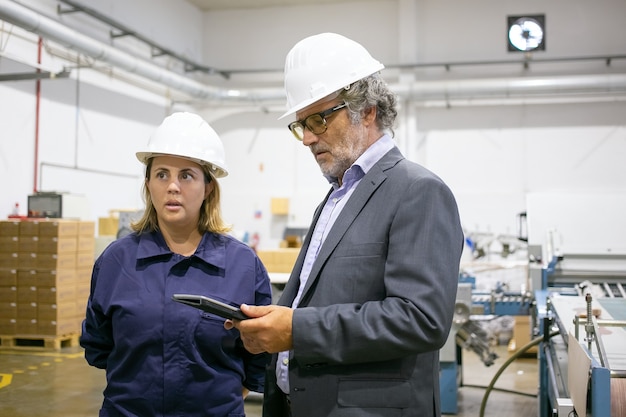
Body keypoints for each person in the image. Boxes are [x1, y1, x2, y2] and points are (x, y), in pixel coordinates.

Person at [228, 33, 464, 417]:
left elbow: (421, 319)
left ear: (367, 109)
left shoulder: (418, 192)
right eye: (300, 124)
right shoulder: (337, 196)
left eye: (318, 119)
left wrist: (297, 330)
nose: (306, 138)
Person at [80, 112, 272, 417]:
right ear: (148, 183)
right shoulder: (117, 261)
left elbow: (259, 355)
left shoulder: (242, 265)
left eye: (186, 175)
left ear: (208, 186)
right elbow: (98, 345)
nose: (172, 186)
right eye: (162, 174)